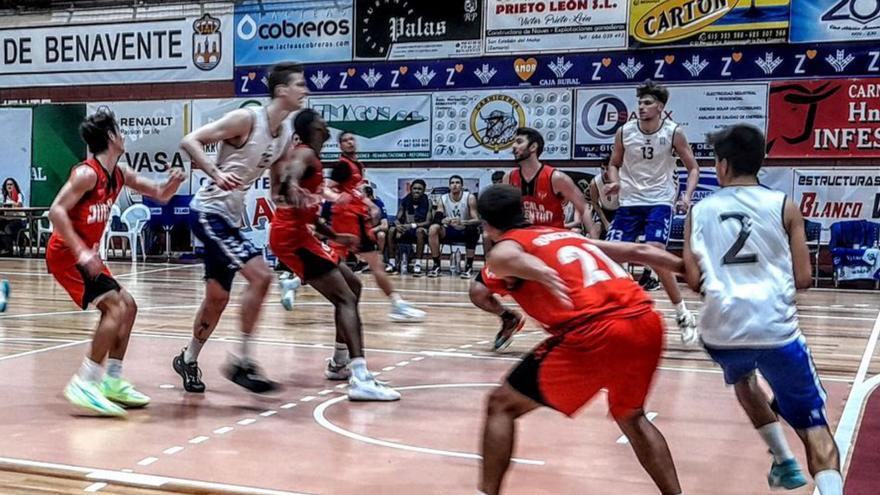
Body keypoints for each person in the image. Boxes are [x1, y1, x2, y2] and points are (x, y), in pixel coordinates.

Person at [475, 184, 684, 495]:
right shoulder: (565, 234)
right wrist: (690, 270)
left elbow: (500, 261)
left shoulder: (508, 248)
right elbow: (639, 251)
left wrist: (539, 271)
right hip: (646, 321)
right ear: (525, 212)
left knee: (501, 404)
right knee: (631, 415)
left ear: (487, 226)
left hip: (597, 332)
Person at [683, 124, 842, 493]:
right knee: (816, 431)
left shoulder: (701, 211)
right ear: (760, 162)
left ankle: (783, 461)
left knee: (743, 379)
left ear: (721, 166)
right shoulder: (784, 206)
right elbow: (804, 277)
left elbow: (695, 280)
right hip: (774, 329)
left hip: (721, 331)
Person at [173, 62, 305, 395]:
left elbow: (276, 188)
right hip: (207, 211)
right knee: (261, 276)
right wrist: (215, 174)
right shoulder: (247, 119)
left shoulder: (286, 133)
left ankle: (188, 358)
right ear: (281, 91)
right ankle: (243, 361)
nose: (306, 90)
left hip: (229, 219)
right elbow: (189, 141)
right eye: (300, 84)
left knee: (217, 298)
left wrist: (296, 193)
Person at [48, 110, 184, 416]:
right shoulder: (87, 174)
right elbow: (56, 211)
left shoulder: (119, 174)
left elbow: (160, 194)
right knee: (114, 307)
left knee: (129, 305)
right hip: (67, 254)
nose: (123, 135)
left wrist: (172, 182)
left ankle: (111, 380)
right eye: (119, 131)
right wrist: (82, 251)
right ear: (111, 137)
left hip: (86, 255)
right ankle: (85, 382)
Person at [270, 109, 399, 401]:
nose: (326, 124)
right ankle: (360, 377)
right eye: (320, 122)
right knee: (345, 298)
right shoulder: (304, 154)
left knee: (354, 285)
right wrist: (289, 186)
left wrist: (335, 236)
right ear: (311, 129)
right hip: (292, 239)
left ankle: (340, 363)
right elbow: (290, 177)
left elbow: (312, 215)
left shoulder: (313, 159)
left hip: (303, 234)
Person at [469, 127, 593, 352]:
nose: (513, 147)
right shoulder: (509, 178)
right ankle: (508, 318)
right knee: (477, 291)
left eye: (518, 142)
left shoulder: (556, 177)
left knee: (564, 299)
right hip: (519, 245)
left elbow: (583, 207)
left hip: (549, 247)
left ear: (533, 147)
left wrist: (592, 241)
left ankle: (584, 334)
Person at [603, 80, 698, 344]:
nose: (642, 107)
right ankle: (619, 312)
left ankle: (682, 313)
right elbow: (614, 163)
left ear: (661, 107)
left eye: (648, 103)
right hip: (630, 201)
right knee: (611, 258)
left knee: (655, 254)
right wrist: (615, 180)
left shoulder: (673, 132)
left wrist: (686, 195)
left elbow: (693, 168)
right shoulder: (624, 132)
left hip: (659, 200)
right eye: (640, 102)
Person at [327, 131, 425, 322]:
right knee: (375, 263)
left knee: (330, 260)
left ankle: (294, 281)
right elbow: (328, 188)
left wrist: (370, 205)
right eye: (345, 141)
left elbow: (356, 192)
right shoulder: (341, 166)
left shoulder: (358, 166)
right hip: (349, 219)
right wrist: (340, 198)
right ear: (340, 146)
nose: (349, 143)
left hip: (351, 218)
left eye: (351, 139)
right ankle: (397, 305)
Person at [427, 175, 480, 278]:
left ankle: (468, 267)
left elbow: (476, 220)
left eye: (457, 183)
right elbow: (437, 217)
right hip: (449, 230)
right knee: (433, 228)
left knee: (472, 230)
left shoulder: (469, 197)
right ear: (449, 186)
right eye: (452, 183)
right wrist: (442, 220)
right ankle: (436, 265)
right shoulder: (443, 198)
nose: (454, 185)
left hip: (465, 229)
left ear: (462, 186)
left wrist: (463, 222)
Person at [385, 179, 433, 276]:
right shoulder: (405, 200)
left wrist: (412, 225)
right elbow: (397, 218)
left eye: (420, 189)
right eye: (415, 188)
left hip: (419, 228)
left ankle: (418, 264)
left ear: (424, 191)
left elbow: (428, 222)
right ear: (411, 189)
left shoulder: (428, 202)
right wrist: (398, 226)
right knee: (391, 230)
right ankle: (392, 262)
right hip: (406, 229)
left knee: (420, 231)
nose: (417, 191)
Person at [589, 160, 619, 240]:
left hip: (618, 210)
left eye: (607, 169)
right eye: (602, 169)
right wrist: (605, 222)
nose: (605, 172)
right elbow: (595, 203)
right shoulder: (595, 182)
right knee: (596, 230)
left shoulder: (620, 180)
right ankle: (593, 251)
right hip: (603, 210)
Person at [0, 178, 26, 255]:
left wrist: (10, 204)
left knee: (8, 228)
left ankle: (11, 248)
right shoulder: (3, 196)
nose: (9, 186)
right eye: (8, 184)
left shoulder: (18, 194)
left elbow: (19, 204)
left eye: (11, 184)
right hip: (7, 218)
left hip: (18, 219)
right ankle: (4, 248)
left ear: (14, 186)